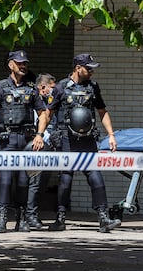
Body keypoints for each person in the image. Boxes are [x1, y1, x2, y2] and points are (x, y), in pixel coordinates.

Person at [47, 53, 121, 233]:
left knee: (95, 176)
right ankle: (60, 218)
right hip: (67, 139)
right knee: (65, 179)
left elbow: (102, 112)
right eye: (88, 68)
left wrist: (111, 135)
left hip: (88, 139)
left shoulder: (93, 87)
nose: (91, 72)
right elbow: (48, 113)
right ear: (77, 68)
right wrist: (41, 134)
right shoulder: (61, 88)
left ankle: (103, 218)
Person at [0, 50, 47, 233]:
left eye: (25, 62)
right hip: (7, 140)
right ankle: (2, 220)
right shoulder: (1, 87)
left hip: (26, 141)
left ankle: (21, 220)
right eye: (19, 63)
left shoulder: (31, 88)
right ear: (10, 64)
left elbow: (43, 114)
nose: (23, 65)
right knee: (5, 180)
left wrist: (39, 135)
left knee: (23, 182)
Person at [25, 73, 56, 230]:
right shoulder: (33, 101)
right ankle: (29, 216)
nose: (53, 91)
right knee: (34, 183)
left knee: (41, 183)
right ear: (42, 87)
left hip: (46, 147)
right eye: (51, 88)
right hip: (34, 146)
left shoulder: (47, 103)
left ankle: (31, 215)